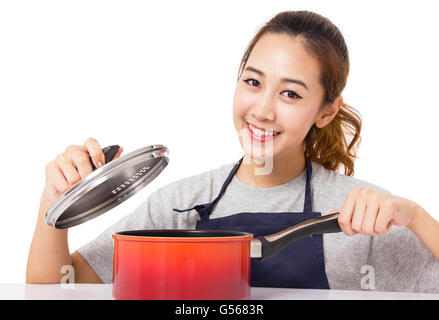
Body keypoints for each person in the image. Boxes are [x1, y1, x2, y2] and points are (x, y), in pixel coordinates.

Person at [26, 10, 439, 293]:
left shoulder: (360, 216)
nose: (262, 110)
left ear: (327, 111)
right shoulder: (178, 207)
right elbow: (57, 290)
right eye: (253, 82)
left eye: (290, 93)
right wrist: (55, 205)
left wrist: (416, 217)